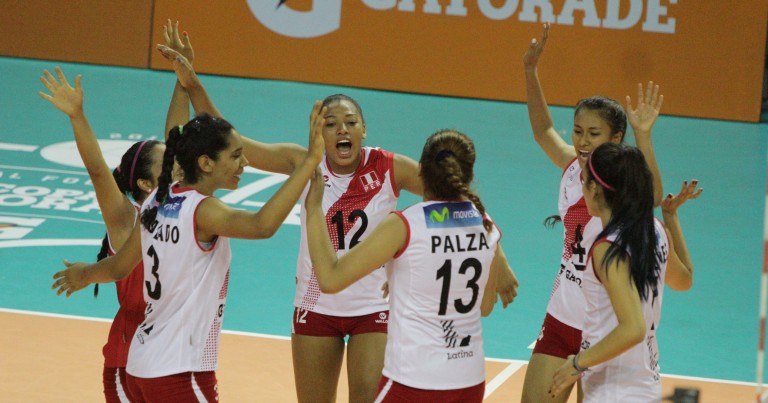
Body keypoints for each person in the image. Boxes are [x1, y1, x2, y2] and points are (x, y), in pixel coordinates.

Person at [154, 43, 520, 403]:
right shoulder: (302, 162)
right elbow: (231, 142)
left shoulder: (390, 167)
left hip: (372, 310)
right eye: (330, 124)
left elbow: (453, 194)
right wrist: (192, 84)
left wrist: (497, 257)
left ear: (364, 130)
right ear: (318, 133)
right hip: (316, 305)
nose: (341, 130)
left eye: (350, 123)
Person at [51, 106, 325, 402]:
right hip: (180, 370)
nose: (244, 162)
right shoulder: (202, 211)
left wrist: (83, 274)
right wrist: (308, 162)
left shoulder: (156, 200)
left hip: (140, 367)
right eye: (235, 155)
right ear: (206, 163)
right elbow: (262, 225)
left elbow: (119, 267)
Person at [37, 20, 192, 402]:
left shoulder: (184, 205)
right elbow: (96, 172)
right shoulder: (127, 220)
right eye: (165, 163)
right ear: (143, 183)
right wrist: (77, 116)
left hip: (175, 356)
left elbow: (178, 136)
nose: (176, 162)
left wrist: (182, 77)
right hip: (129, 362)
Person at [306, 129, 507, 402]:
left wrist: (314, 208)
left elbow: (330, 279)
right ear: (468, 174)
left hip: (415, 380)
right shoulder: (485, 223)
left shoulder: (405, 225)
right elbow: (484, 306)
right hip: (469, 380)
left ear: (421, 170)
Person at [520, 22, 665, 403]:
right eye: (579, 131)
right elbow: (542, 131)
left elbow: (654, 196)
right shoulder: (571, 168)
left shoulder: (624, 188)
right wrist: (530, 71)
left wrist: (644, 136)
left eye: (594, 133)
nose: (582, 141)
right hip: (561, 315)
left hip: (602, 327)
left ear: (615, 139)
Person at [549, 142, 698, 401]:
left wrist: (576, 364)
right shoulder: (656, 230)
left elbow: (632, 328)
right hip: (644, 382)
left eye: (585, 182)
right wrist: (670, 218)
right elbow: (684, 280)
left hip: (613, 389)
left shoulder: (607, 249)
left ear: (595, 190)